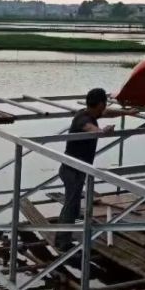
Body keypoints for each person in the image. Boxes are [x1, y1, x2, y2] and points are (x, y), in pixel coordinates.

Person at [55, 87, 131, 252]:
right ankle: (62, 242)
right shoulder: (84, 120)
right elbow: (90, 128)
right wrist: (103, 131)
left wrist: (127, 112)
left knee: (72, 205)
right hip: (72, 170)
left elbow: (108, 113)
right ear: (101, 104)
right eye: (104, 104)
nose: (105, 108)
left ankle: (67, 235)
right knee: (70, 205)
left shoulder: (88, 112)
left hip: (74, 168)